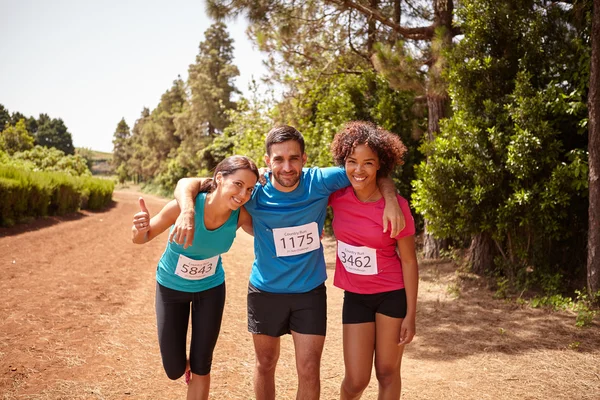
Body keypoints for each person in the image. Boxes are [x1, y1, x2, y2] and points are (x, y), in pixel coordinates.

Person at [172, 125, 405, 400]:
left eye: (294, 158)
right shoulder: (252, 190)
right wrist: (187, 211)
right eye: (279, 159)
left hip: (309, 293)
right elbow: (188, 182)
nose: (287, 166)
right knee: (266, 363)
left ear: (304, 159)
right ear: (267, 162)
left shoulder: (319, 181)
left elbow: (370, 172)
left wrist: (391, 200)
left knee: (309, 368)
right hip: (265, 291)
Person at [131, 155, 259, 400]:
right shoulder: (184, 207)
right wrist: (138, 229)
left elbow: (268, 232)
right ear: (219, 178)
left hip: (210, 290)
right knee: (174, 369)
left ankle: (198, 361)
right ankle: (186, 363)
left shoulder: (240, 216)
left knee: (202, 363)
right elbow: (143, 237)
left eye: (249, 189)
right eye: (238, 184)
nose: (243, 194)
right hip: (171, 288)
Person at [328, 121, 419, 400]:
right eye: (352, 162)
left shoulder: (397, 207)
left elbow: (408, 261)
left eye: (368, 163)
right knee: (356, 380)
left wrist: (411, 315)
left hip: (391, 295)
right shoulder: (335, 196)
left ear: (380, 165)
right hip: (355, 296)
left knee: (387, 372)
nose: (359, 169)